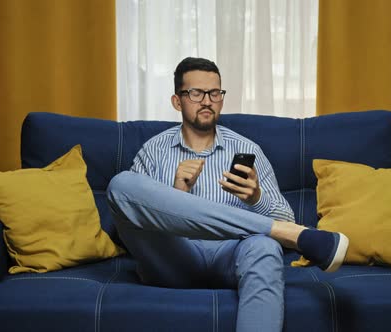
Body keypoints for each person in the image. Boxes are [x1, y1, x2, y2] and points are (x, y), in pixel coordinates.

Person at [107, 57, 348, 332]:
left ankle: (282, 233)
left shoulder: (248, 150)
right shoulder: (153, 150)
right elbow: (129, 218)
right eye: (195, 93)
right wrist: (177, 194)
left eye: (215, 93)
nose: (207, 101)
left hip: (232, 256)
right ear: (177, 101)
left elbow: (286, 217)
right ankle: (298, 236)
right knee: (121, 185)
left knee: (265, 246)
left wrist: (256, 198)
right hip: (171, 257)